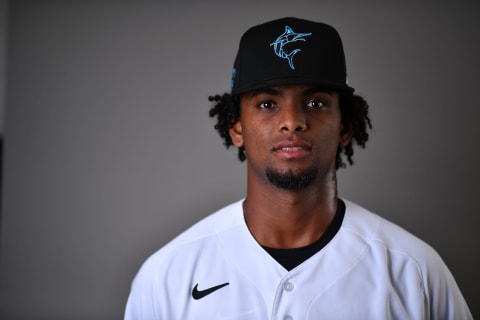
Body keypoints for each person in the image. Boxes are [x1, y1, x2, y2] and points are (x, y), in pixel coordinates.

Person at [124, 17, 472, 319]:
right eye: (267, 104)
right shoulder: (167, 274)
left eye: (316, 102)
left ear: (345, 126)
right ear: (237, 127)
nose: (292, 121)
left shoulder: (414, 270)